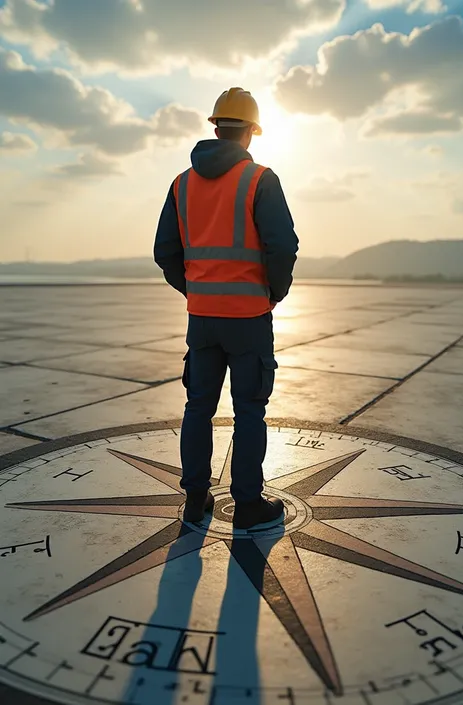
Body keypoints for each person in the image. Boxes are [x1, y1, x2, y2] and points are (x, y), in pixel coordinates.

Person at [154, 87, 298, 529]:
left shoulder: (181, 183)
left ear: (215, 127)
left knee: (198, 405)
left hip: (202, 320)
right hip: (250, 317)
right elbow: (282, 247)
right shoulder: (259, 179)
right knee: (249, 410)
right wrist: (273, 293)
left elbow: (165, 252)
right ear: (251, 133)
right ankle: (247, 503)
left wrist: (195, 290)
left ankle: (196, 498)